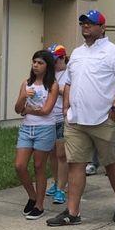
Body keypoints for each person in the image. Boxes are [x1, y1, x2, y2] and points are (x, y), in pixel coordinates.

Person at [50, 10, 115, 226]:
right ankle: (73, 212)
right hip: (76, 120)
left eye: (90, 23)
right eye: (83, 23)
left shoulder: (113, 52)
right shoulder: (77, 53)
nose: (85, 26)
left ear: (102, 27)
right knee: (75, 164)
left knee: (111, 163)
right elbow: (69, 81)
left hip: (103, 119)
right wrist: (67, 107)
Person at [13, 50, 59, 220]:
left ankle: (39, 205)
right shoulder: (26, 83)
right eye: (34, 62)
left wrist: (28, 110)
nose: (36, 66)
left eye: (40, 63)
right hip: (27, 128)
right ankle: (32, 196)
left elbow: (46, 111)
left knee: (39, 166)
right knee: (19, 165)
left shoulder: (52, 85)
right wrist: (24, 97)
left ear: (47, 66)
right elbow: (18, 109)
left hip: (45, 129)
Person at [45, 44, 70, 205]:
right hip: (48, 118)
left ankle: (62, 188)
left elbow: (71, 92)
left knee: (62, 154)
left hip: (62, 117)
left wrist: (58, 89)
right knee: (52, 154)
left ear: (62, 58)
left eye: (55, 60)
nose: (53, 64)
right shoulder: (48, 74)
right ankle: (55, 181)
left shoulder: (69, 73)